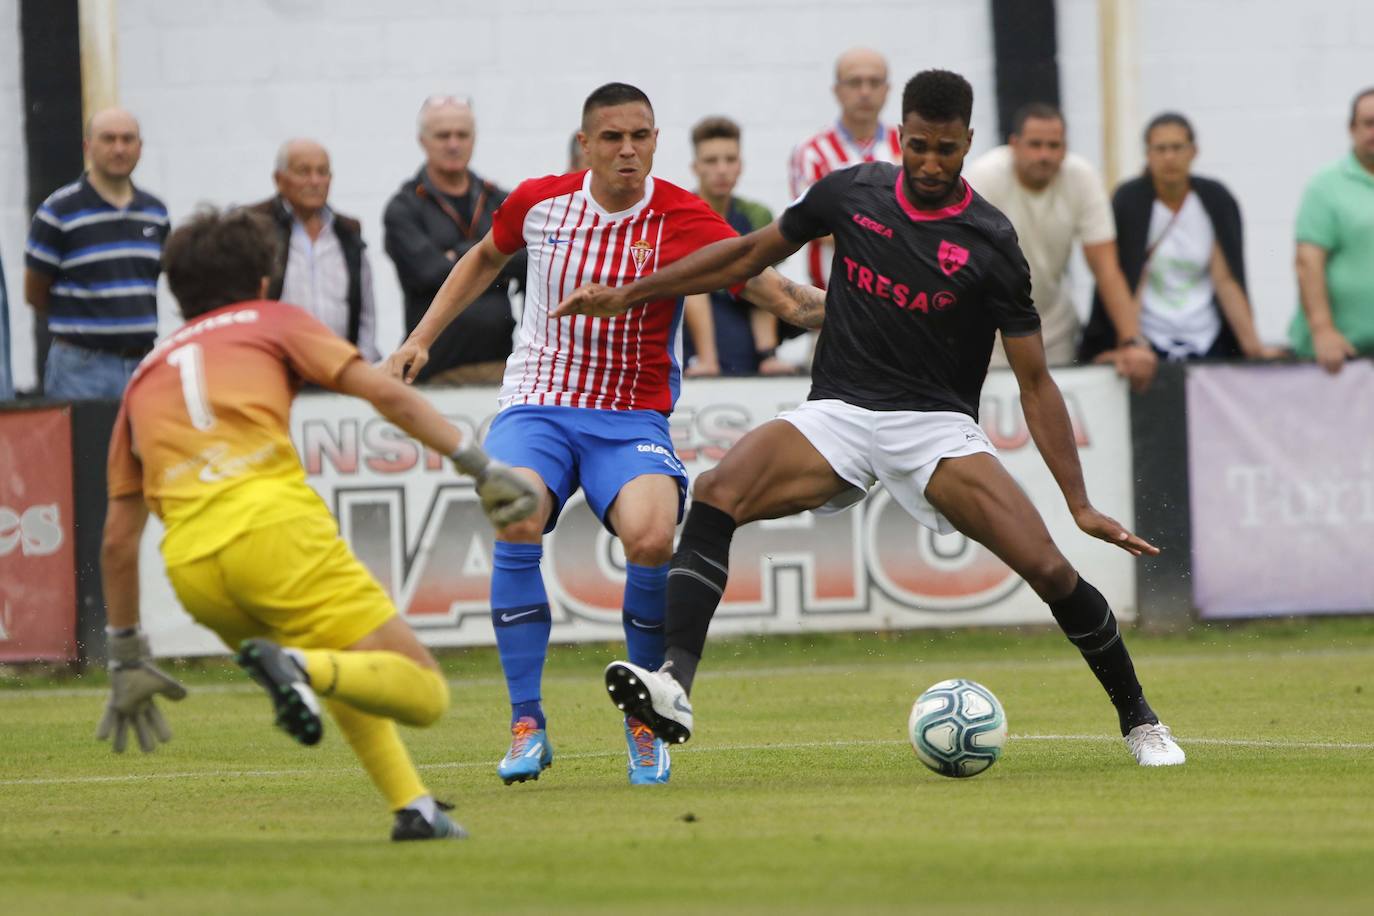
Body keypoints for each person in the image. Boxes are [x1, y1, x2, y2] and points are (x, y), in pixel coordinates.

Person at [557, 69, 1186, 769]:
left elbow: (1036, 383)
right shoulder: (850, 193)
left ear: (967, 143)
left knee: (1047, 568)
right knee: (716, 491)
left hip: (935, 429)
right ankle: (674, 685)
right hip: (839, 414)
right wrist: (630, 294)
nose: (929, 163)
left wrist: (1078, 502)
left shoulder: (991, 241)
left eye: (945, 150)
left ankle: (1141, 720)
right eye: (917, 146)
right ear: (900, 136)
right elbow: (744, 254)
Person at [384, 82, 824, 787]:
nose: (628, 149)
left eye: (641, 136)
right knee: (517, 510)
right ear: (584, 145)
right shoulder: (537, 202)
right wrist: (419, 339)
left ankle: (644, 722)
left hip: (631, 418)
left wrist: (889, 312)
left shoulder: (685, 217)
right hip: (539, 407)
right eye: (612, 137)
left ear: (656, 140)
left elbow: (783, 298)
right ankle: (528, 722)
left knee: (652, 536)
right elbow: (481, 259)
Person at [95, 207, 539, 842]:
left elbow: (117, 540)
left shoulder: (144, 376)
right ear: (262, 279)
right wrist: (479, 465)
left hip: (192, 568)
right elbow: (384, 392)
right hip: (273, 531)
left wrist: (126, 653)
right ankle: (298, 669)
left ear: (178, 292)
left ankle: (412, 807)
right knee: (421, 692)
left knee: (340, 661)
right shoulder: (272, 319)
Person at [965, 104, 1157, 388]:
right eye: (1035, 145)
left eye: (1054, 145)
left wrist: (1132, 340)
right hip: (988, 330)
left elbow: (1105, 267)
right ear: (1014, 145)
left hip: (1053, 328)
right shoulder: (983, 177)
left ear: (1065, 148)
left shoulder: (1082, 177)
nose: (1045, 155)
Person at [1080, 113, 1280, 364]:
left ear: (1193, 151)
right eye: (1160, 149)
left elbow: (1226, 279)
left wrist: (1253, 346)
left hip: (1207, 337)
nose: (1169, 157)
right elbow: (1127, 277)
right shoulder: (1129, 201)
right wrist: (1130, 342)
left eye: (1177, 148)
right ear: (1148, 154)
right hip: (1149, 341)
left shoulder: (1216, 199)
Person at [23, 108, 169, 399]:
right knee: (85, 446)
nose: (119, 148)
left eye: (128, 140)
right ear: (88, 146)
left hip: (142, 364)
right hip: (81, 369)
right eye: (108, 139)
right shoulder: (58, 212)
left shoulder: (156, 212)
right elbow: (35, 293)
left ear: (140, 148)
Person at [383, 97, 525, 383]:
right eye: (443, 135)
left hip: (500, 368)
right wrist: (493, 258)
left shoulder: (498, 199)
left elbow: (526, 259)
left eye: (462, 135)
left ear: (474, 139)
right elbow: (428, 272)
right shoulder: (404, 207)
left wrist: (455, 254)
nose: (453, 144)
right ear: (422, 140)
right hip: (433, 371)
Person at [249, 139, 380, 362]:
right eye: (303, 172)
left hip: (339, 368)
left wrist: (362, 359)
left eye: (322, 172)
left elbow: (366, 309)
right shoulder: (256, 227)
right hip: (278, 366)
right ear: (279, 180)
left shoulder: (347, 232)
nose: (315, 181)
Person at [683, 116, 792, 377]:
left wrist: (768, 355)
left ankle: (768, 355)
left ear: (740, 166)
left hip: (744, 314)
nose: (721, 169)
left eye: (730, 160)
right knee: (692, 283)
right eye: (711, 161)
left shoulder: (757, 214)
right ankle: (707, 360)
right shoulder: (681, 214)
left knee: (764, 273)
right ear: (695, 167)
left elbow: (764, 280)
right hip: (689, 326)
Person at [789, 47, 904, 291]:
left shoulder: (908, 146)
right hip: (829, 303)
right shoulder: (811, 152)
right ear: (837, 90)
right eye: (855, 82)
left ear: (887, 90)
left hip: (901, 301)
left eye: (874, 82)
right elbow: (814, 223)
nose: (865, 91)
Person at [1289, 87, 1374, 373]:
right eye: (1369, 123)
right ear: (1352, 129)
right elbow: (1308, 262)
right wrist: (1323, 330)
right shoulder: (1326, 187)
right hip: (1337, 362)